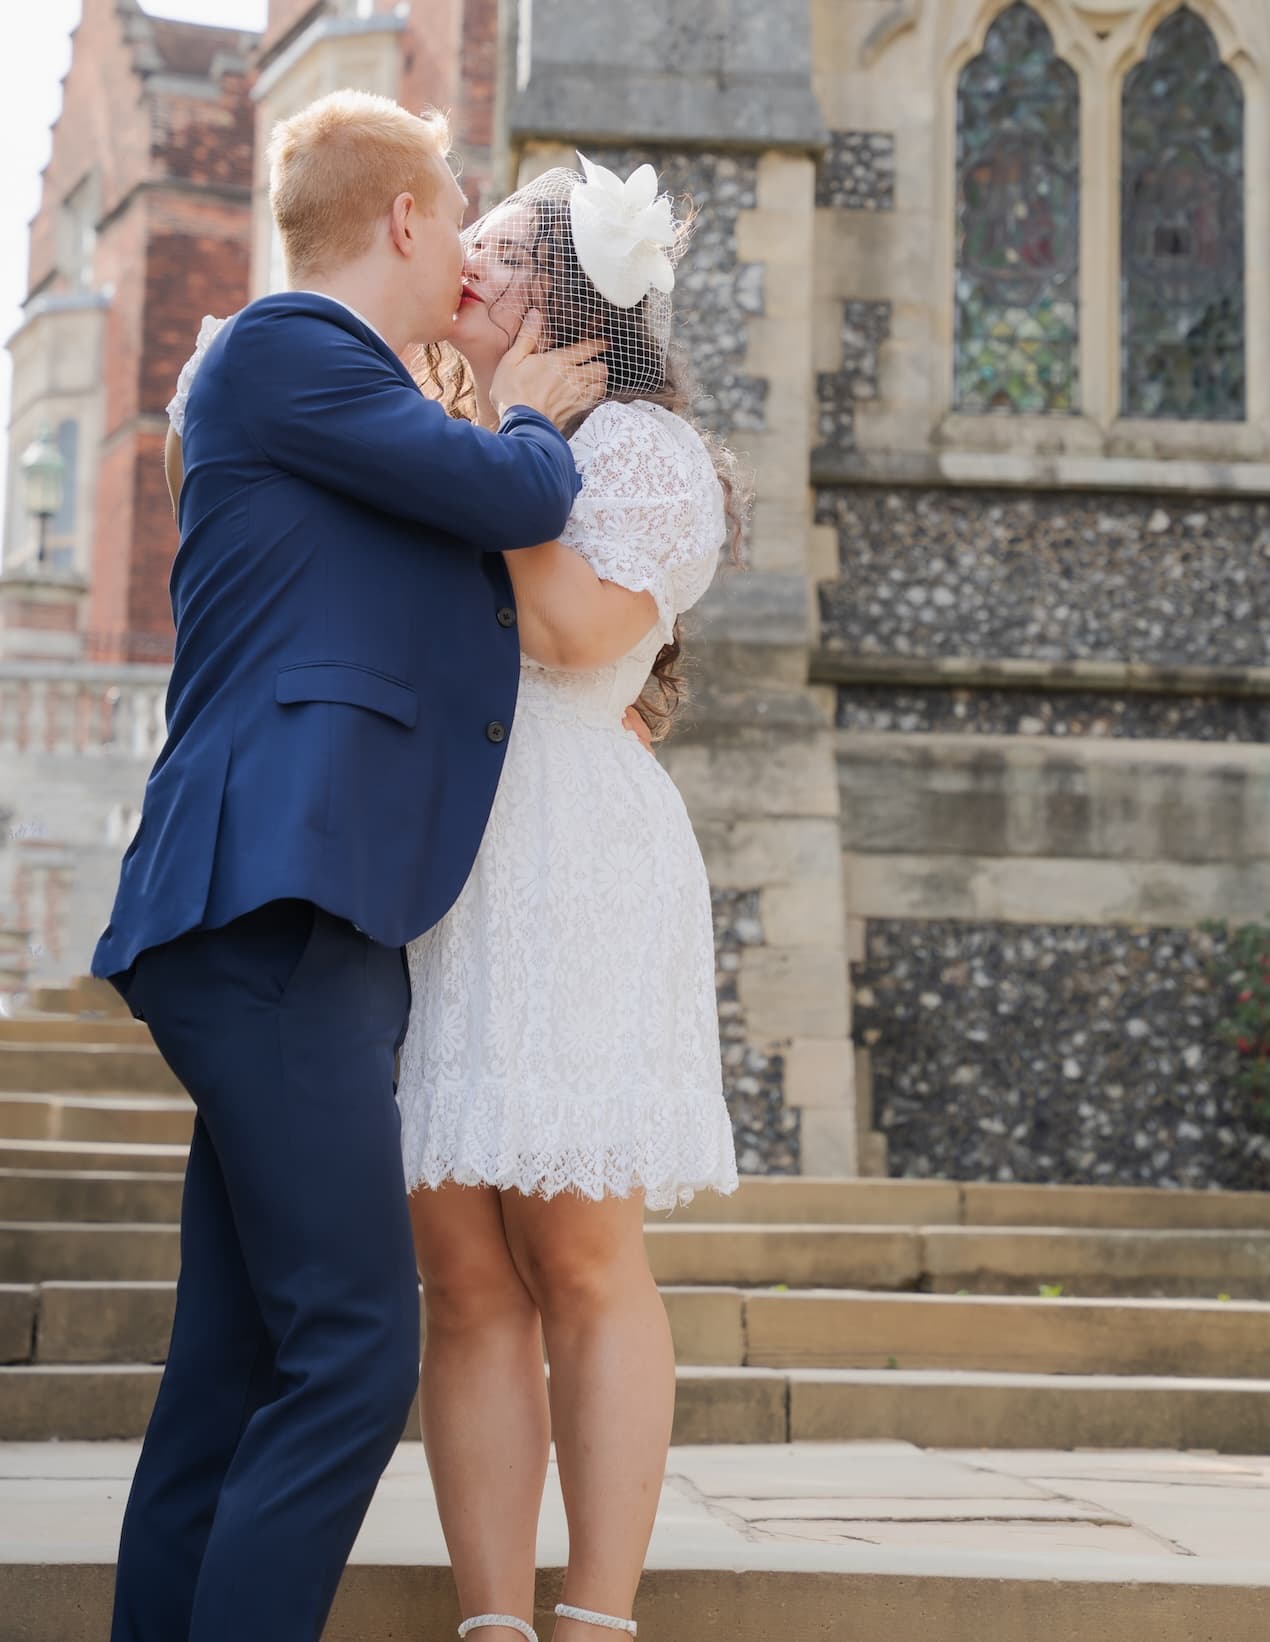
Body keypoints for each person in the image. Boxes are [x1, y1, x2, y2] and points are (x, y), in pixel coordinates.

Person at [91, 90, 604, 1642]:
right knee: (358, 1347)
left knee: (237, 1366)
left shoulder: (352, 402)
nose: (465, 245)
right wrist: (521, 396)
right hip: (273, 902)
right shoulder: (284, 346)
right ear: (401, 221)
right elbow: (520, 492)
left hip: (303, 911)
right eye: (454, 213)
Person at [396, 157, 741, 1642]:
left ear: (570, 292)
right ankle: (490, 1617)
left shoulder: (652, 456)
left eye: (496, 244)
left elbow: (564, 623)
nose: (463, 258)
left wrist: (513, 436)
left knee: (583, 1256)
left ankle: (595, 1615)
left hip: (570, 858)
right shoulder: (446, 429)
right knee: (462, 1277)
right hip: (434, 861)